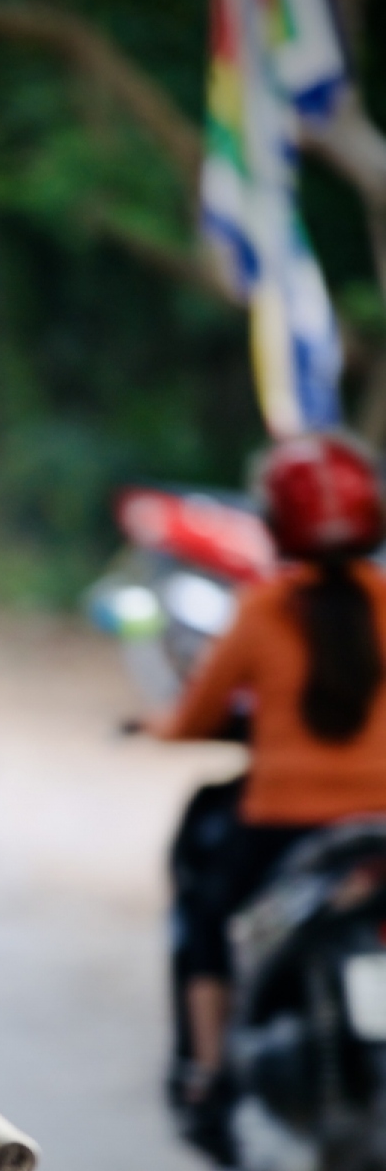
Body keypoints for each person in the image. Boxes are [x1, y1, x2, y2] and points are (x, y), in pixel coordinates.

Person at [145, 431, 386, 1102]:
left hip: (283, 828)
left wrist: (157, 727)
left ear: (277, 522)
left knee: (209, 917)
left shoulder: (264, 608)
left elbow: (194, 717)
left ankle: (211, 1071)